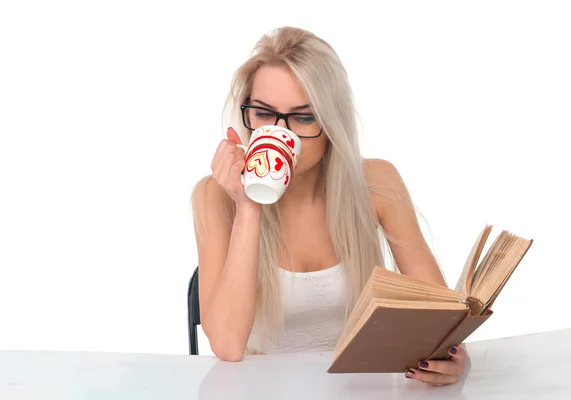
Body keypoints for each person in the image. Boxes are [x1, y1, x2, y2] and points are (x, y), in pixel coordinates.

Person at [191, 26, 466, 386]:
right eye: (262, 113)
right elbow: (227, 345)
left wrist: (452, 357)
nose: (279, 131)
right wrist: (249, 206)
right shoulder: (215, 196)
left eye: (304, 117)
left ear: (331, 123)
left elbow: (440, 316)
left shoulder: (375, 183)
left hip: (360, 390)